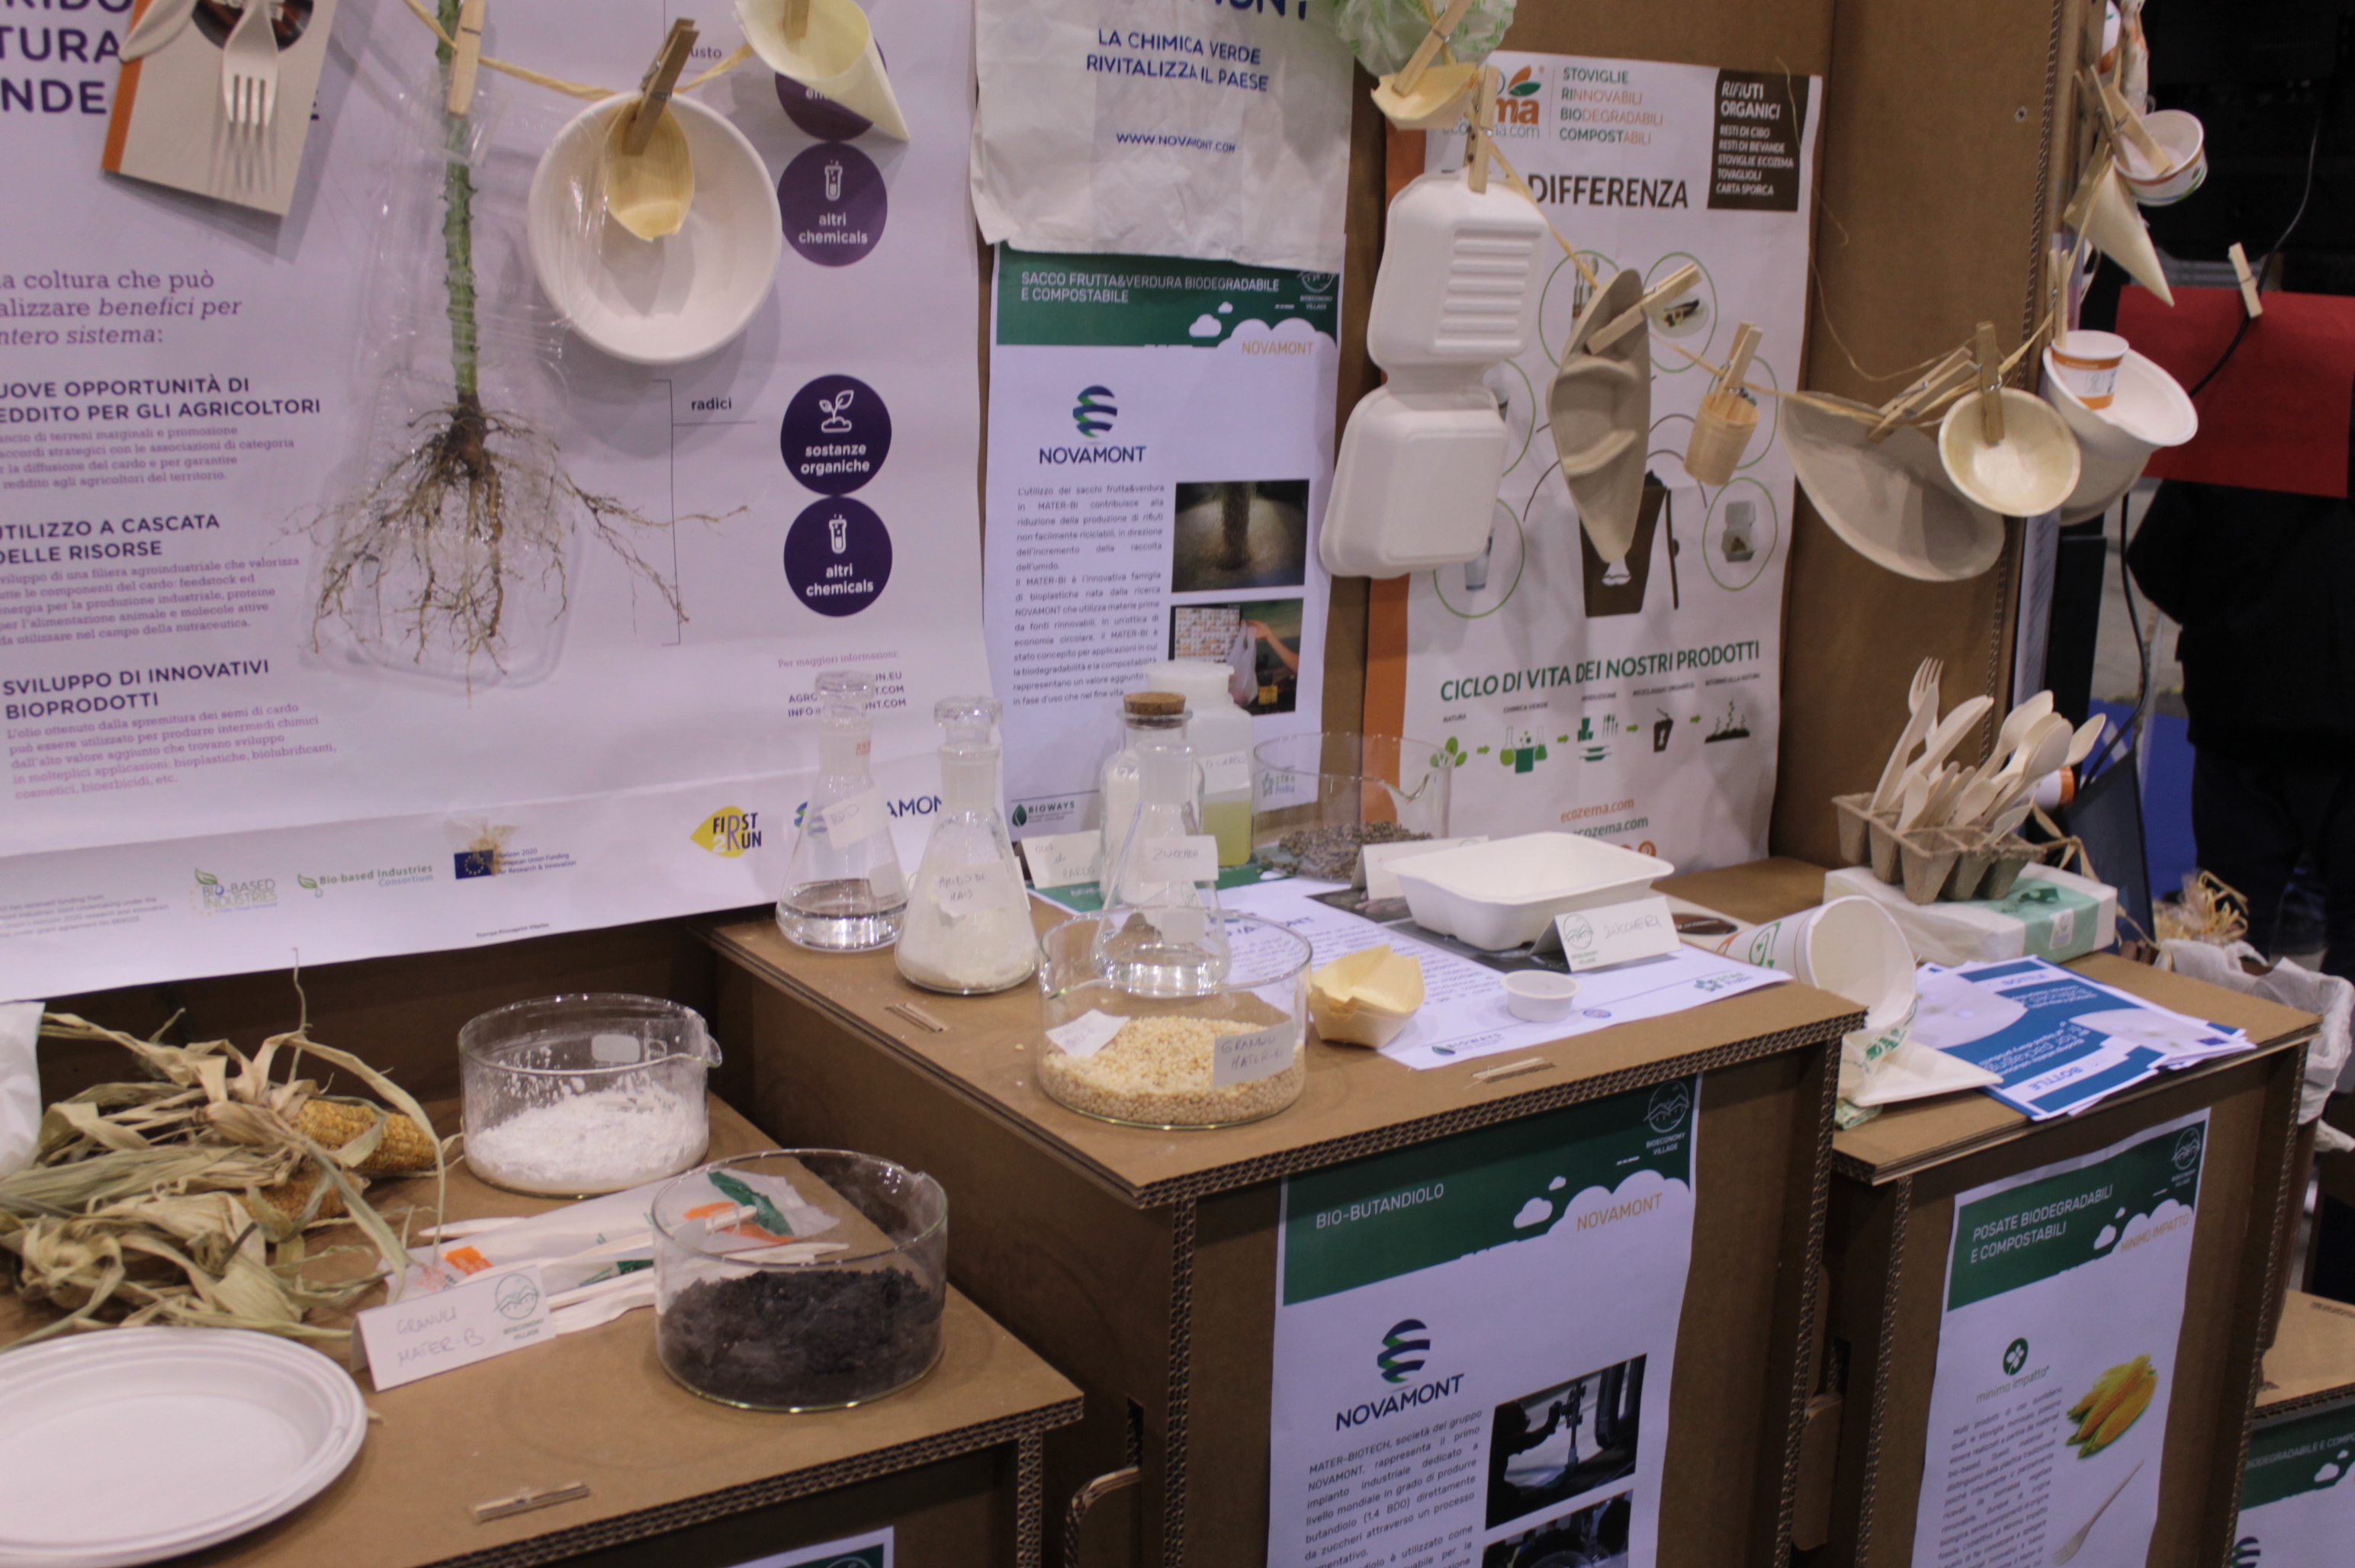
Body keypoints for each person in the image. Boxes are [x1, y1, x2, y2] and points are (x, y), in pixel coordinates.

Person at [2125, 480, 2355, 978]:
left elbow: (2155, 560)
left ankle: (2219, 1026)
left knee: (2227, 930)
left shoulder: (2238, 438)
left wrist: (2230, 618)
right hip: (2333, 721)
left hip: (2237, 707)